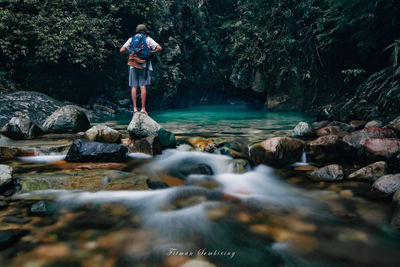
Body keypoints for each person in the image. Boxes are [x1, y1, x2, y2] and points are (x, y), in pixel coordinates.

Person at [120, 24, 162, 114]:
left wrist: (130, 53)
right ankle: (143, 109)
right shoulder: (148, 39)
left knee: (134, 86)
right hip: (144, 64)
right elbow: (159, 48)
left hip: (133, 64)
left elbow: (122, 50)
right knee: (143, 86)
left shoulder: (131, 39)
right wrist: (151, 52)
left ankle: (135, 108)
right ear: (145, 31)